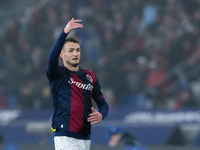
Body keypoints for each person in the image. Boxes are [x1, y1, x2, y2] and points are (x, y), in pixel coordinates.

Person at [46, 18, 109, 150]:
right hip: (65, 135)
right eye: (71, 50)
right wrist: (64, 33)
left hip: (85, 137)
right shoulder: (58, 74)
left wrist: (101, 114)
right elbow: (52, 58)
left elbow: (103, 104)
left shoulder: (90, 76)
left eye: (77, 50)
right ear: (62, 55)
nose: (75, 53)